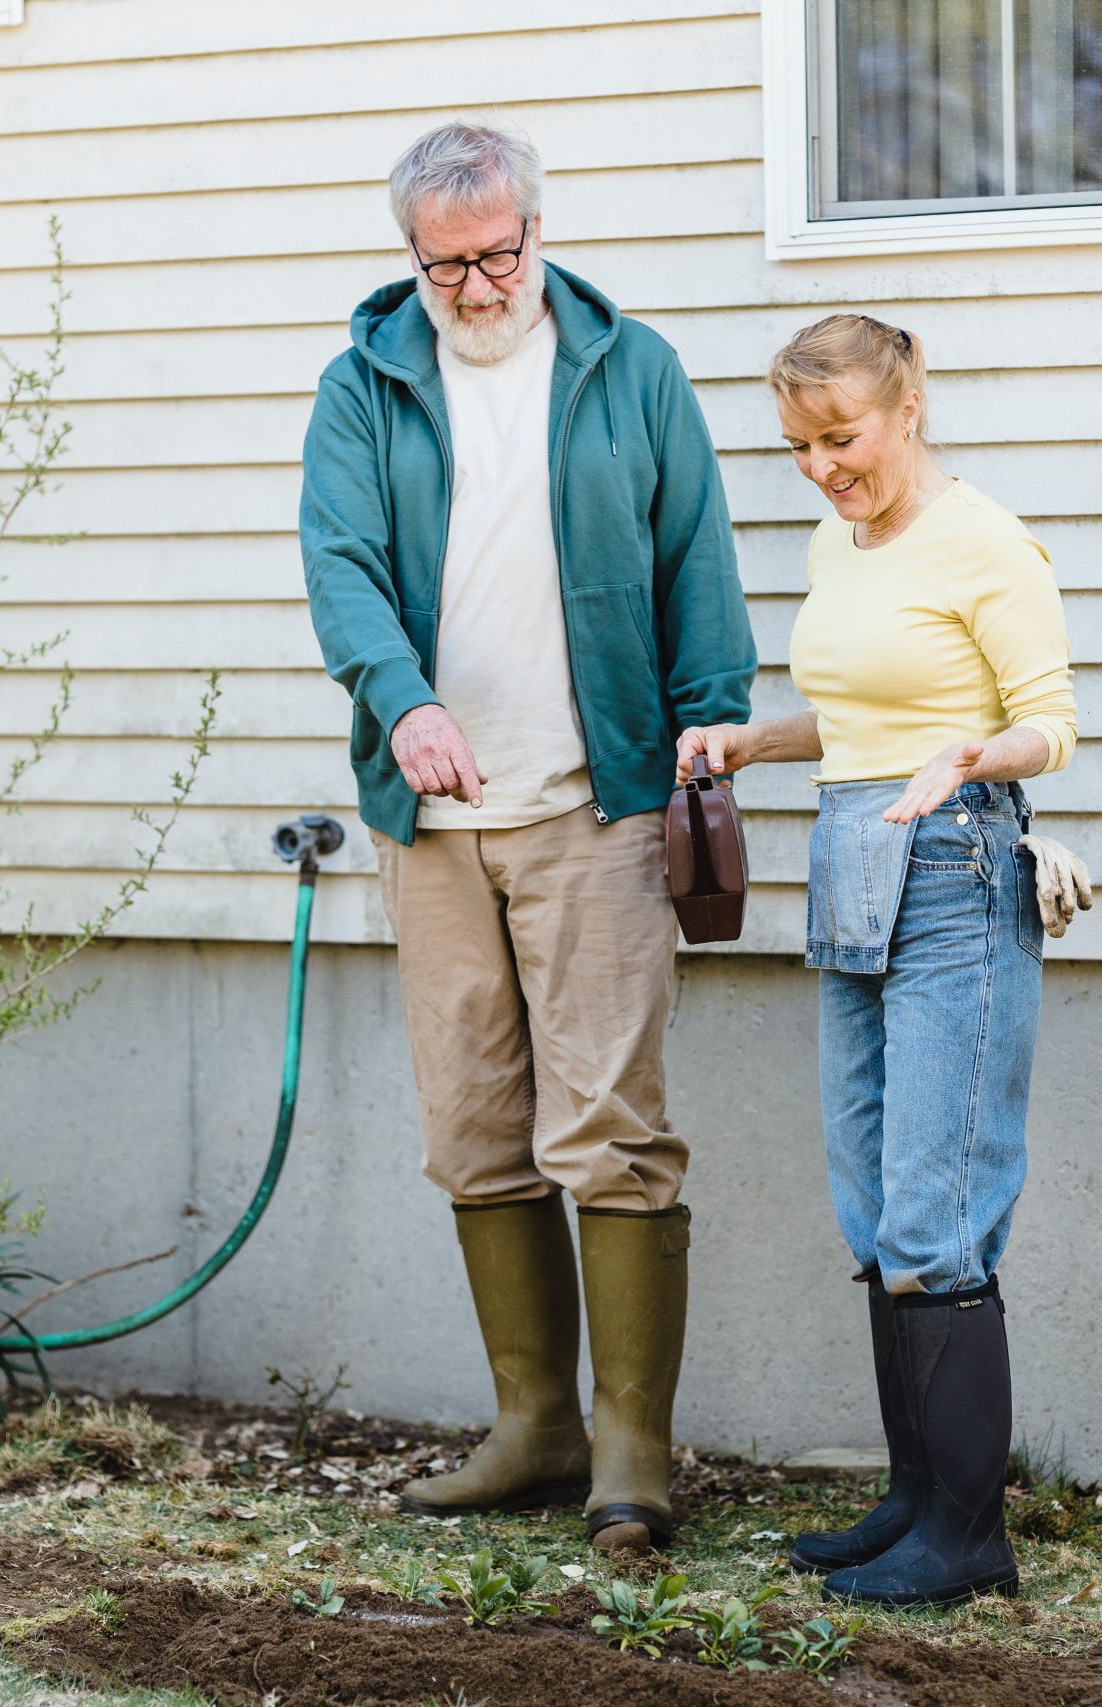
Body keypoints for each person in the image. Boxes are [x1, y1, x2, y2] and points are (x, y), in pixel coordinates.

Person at [298, 121, 756, 1553]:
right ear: (412, 261)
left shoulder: (636, 371)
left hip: (596, 803)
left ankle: (633, 1451)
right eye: (448, 265)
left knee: (611, 1133)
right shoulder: (365, 386)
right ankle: (534, 1430)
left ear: (538, 232)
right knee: (474, 1133)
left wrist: (712, 719)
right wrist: (403, 699)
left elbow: (701, 560)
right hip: (433, 827)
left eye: (499, 254)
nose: (479, 287)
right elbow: (342, 565)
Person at [676, 314, 1079, 1606]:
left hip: (955, 865)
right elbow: (859, 717)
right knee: (872, 1203)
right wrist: (749, 742)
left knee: (936, 1205)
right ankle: (915, 1505)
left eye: (839, 438)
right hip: (856, 857)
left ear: (907, 409)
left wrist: (968, 757)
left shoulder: (988, 542)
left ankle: (968, 1540)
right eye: (798, 445)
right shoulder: (837, 540)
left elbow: (1049, 728)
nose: (821, 466)